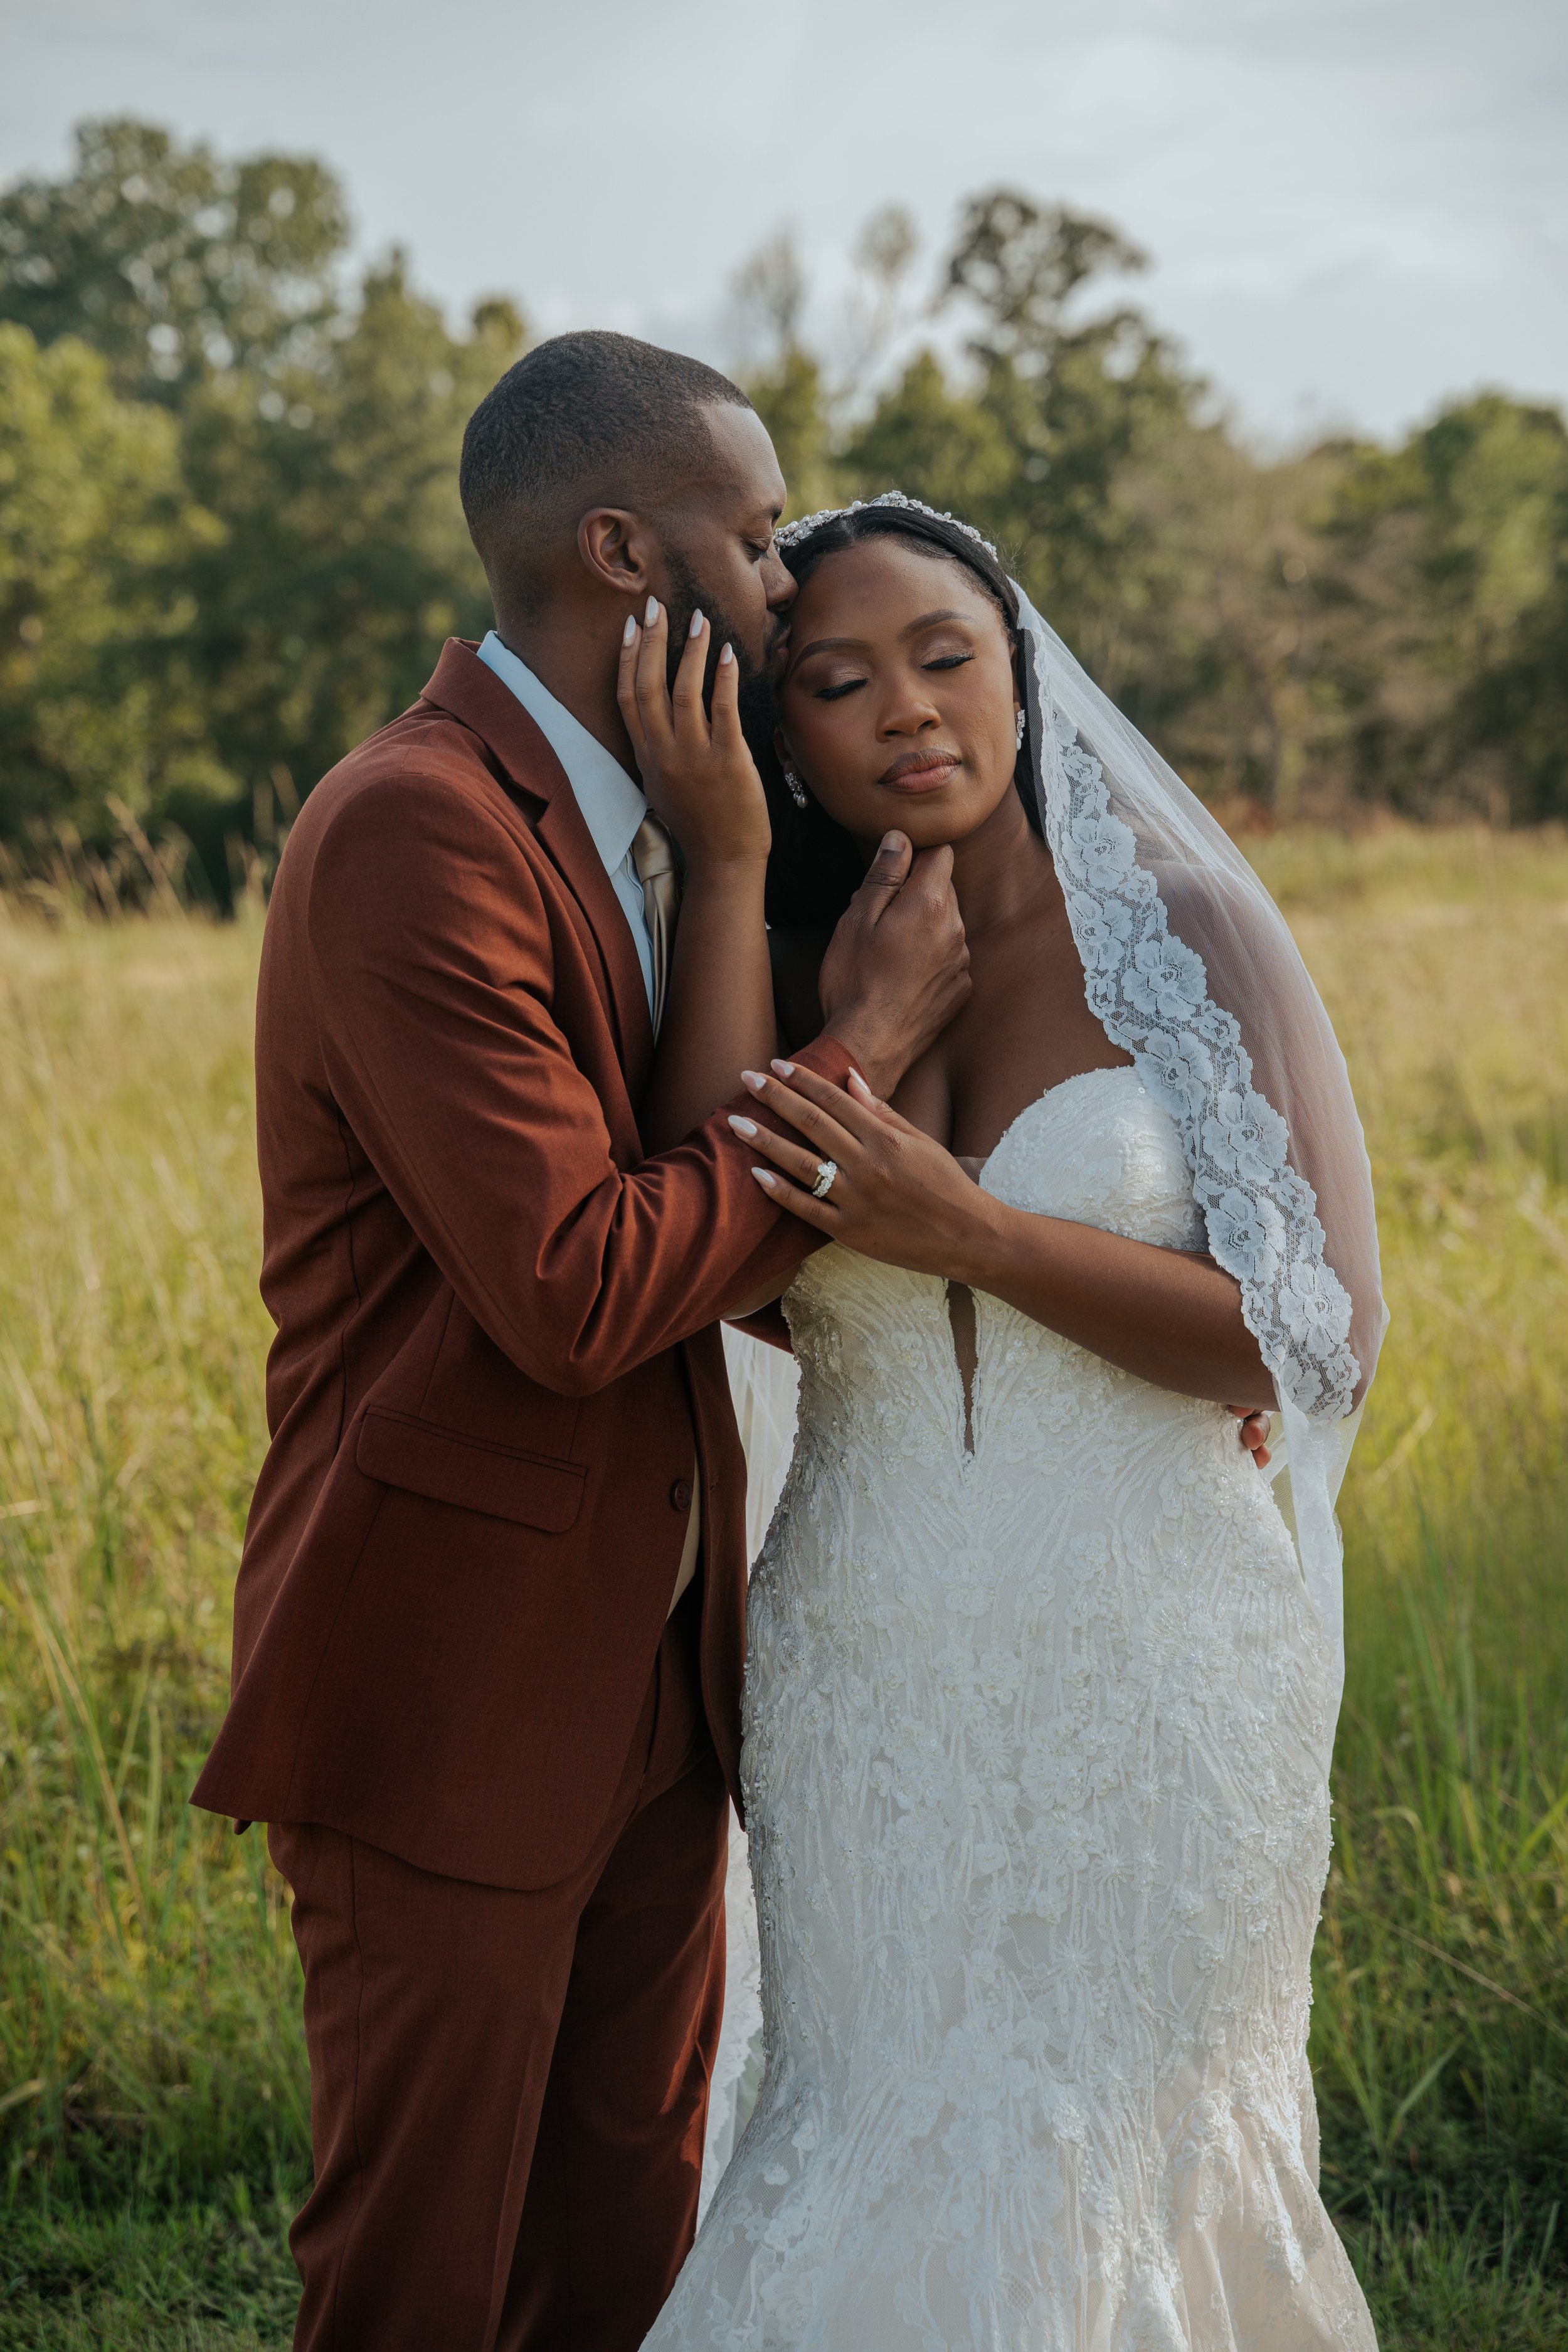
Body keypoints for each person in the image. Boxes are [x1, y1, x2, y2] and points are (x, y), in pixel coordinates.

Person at [189, 336, 977, 2352]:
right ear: (625, 551)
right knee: (421, 2281)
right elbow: (580, 1290)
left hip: (658, 1656)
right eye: (754, 528)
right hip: (449, 1672)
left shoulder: (679, 820)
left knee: (622, 2255)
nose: (787, 579)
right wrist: (855, 1050)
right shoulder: (416, 827)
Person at [636, 495, 1385, 2348]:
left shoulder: (1191, 934)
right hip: (864, 1666)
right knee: (872, 2119)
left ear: (1022, 674)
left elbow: (1311, 1340)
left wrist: (970, 1232)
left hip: (1156, 1661)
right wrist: (734, 880)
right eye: (835, 681)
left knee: (1125, 2128)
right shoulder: (791, 953)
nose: (906, 710)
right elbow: (707, 1268)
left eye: (946, 657)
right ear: (776, 728)